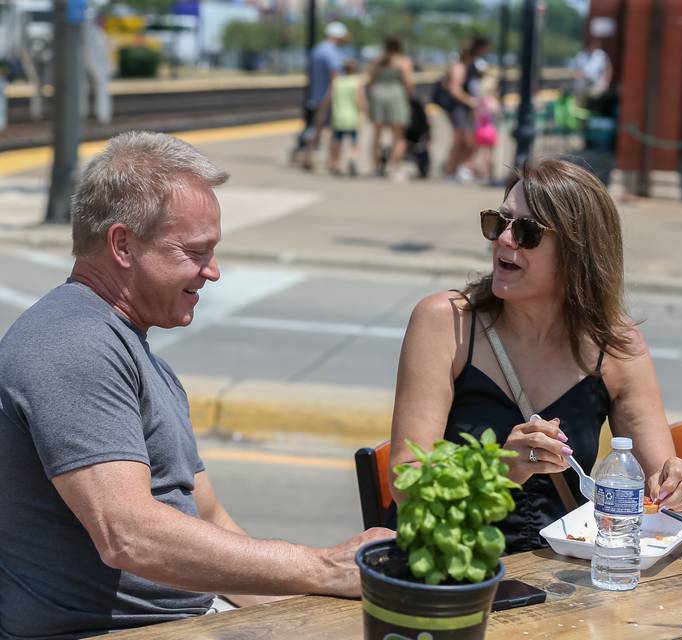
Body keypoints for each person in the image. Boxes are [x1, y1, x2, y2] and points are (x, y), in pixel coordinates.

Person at [0, 131, 391, 639]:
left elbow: (210, 518)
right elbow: (128, 534)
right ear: (122, 244)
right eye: (195, 252)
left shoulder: (130, 347)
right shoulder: (71, 342)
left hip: (189, 618)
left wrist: (317, 604)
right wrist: (322, 568)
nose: (213, 271)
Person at [388, 159, 682, 553]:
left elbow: (658, 479)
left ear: (577, 253)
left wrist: (678, 483)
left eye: (527, 232)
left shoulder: (617, 346)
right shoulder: (446, 322)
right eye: (498, 222)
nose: (504, 239)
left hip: (561, 575)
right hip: (449, 567)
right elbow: (407, 485)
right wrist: (497, 471)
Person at [295, 21, 349, 171]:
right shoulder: (332, 52)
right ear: (337, 36)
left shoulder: (317, 50)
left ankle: (307, 156)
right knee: (335, 130)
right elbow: (335, 77)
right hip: (330, 97)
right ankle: (333, 162)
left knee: (316, 128)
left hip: (316, 96)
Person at [366, 36, 415, 181]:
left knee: (376, 135)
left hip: (378, 95)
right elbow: (409, 82)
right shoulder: (403, 61)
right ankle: (394, 168)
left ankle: (375, 168)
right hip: (396, 96)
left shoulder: (377, 60)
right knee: (399, 136)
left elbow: (370, 80)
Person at [443, 36, 491, 181]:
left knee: (468, 142)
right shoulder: (459, 68)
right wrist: (470, 101)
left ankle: (459, 168)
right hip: (459, 108)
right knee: (460, 141)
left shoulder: (466, 68)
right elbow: (454, 89)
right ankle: (450, 170)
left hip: (465, 109)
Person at [319, 58, 366, 176]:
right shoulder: (357, 82)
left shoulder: (336, 82)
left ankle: (336, 164)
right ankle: (352, 159)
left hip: (338, 117)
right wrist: (364, 112)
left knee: (337, 141)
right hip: (352, 117)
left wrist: (322, 112)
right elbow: (361, 101)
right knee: (354, 141)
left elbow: (327, 99)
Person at [570, 38, 612, 110]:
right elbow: (574, 70)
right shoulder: (581, 55)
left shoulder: (601, 55)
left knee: (595, 103)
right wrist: (578, 74)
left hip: (597, 85)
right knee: (580, 102)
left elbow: (608, 69)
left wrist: (607, 82)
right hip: (583, 85)